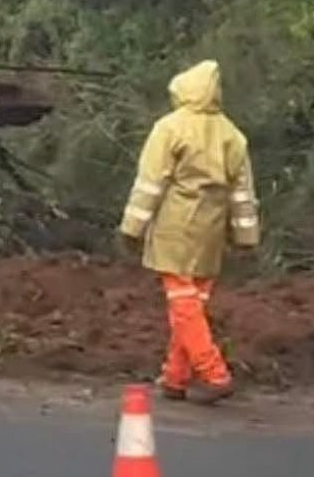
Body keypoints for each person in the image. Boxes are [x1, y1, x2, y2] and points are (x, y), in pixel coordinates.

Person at [118, 60, 260, 403]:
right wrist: (246, 236)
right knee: (192, 303)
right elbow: (242, 192)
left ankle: (214, 373)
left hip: (176, 227)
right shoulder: (232, 135)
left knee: (182, 303)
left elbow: (151, 183)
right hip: (211, 231)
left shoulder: (170, 128)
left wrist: (132, 227)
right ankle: (175, 377)